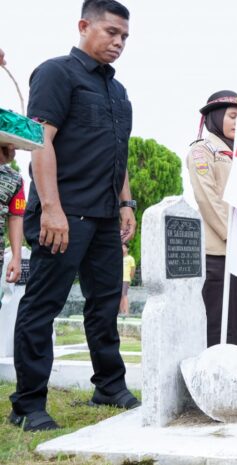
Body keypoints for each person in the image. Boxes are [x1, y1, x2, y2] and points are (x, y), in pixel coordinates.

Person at [9, 0, 139, 432]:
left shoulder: (118, 92)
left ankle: (109, 385)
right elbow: (40, 142)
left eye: (124, 36)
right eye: (110, 32)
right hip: (62, 214)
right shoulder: (55, 73)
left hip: (104, 218)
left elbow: (117, 153)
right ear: (84, 25)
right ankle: (28, 403)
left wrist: (125, 204)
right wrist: (51, 209)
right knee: (42, 305)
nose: (118, 42)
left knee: (104, 306)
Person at [186, 90, 237, 353]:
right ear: (215, 117)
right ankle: (214, 371)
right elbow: (208, 198)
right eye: (232, 116)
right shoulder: (202, 151)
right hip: (219, 247)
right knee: (218, 316)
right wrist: (233, 235)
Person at [0, 142, 25, 290]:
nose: (16, 148)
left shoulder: (15, 179)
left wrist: (17, 257)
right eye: (14, 144)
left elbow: (16, 216)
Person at [119, 243, 135, 316]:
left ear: (127, 249)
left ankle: (127, 312)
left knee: (124, 295)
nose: (122, 249)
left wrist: (130, 280)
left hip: (126, 279)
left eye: (124, 247)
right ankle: (121, 312)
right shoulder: (119, 258)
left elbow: (132, 270)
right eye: (121, 247)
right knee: (119, 296)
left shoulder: (130, 258)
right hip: (119, 280)